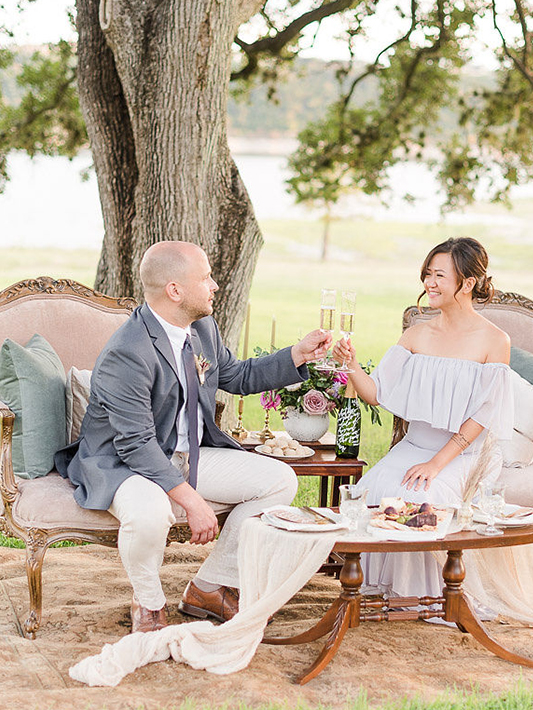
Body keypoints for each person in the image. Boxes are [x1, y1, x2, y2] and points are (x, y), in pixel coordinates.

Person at [55, 240, 331, 634]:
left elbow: (236, 376)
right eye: (205, 278)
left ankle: (208, 586)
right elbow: (135, 444)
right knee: (150, 513)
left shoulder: (201, 327)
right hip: (124, 463)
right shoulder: (127, 351)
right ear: (175, 290)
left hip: (187, 454)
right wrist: (192, 500)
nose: (215, 285)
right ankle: (149, 604)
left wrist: (297, 355)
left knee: (279, 480)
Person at [332, 236, 513, 605]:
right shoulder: (416, 333)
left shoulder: (494, 340)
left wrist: (436, 463)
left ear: (468, 282)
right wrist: (350, 365)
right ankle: (378, 588)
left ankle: (426, 597)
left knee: (419, 496)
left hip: (464, 454)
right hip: (416, 445)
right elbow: (378, 394)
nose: (430, 283)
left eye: (440, 275)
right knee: (371, 489)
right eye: (428, 274)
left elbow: (483, 416)